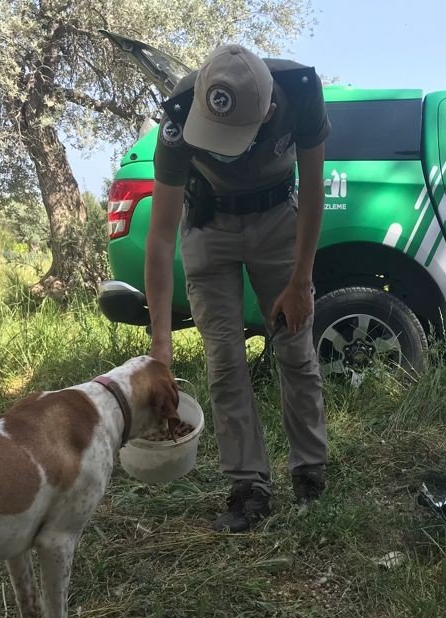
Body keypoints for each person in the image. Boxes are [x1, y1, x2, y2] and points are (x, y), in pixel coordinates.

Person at [145, 43, 329, 532]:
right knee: (224, 361)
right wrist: (159, 341)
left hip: (277, 221)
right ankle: (248, 485)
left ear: (269, 111)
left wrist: (301, 281)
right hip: (210, 227)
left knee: (295, 348)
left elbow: (313, 194)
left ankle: (310, 471)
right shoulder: (181, 112)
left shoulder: (301, 92)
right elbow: (161, 237)